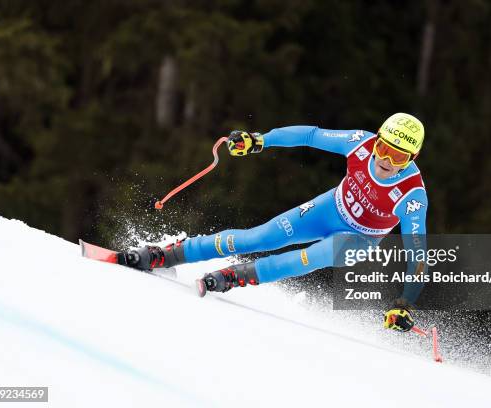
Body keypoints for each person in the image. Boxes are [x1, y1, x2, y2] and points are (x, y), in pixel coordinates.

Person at [121, 113, 428, 332]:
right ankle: (169, 254)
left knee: (309, 257)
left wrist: (405, 304)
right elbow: (310, 135)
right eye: (384, 149)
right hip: (329, 209)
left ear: (412, 158)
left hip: (360, 238)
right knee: (258, 238)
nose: (386, 160)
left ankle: (237, 276)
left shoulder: (412, 196)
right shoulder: (360, 143)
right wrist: (259, 141)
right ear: (378, 140)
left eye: (398, 157)